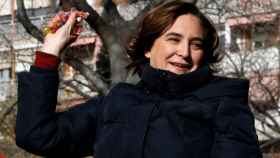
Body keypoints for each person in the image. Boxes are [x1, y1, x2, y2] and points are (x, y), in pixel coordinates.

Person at [16, 1, 262, 158]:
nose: (184, 52)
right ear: (147, 48)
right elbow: (38, 135)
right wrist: (50, 52)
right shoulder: (117, 101)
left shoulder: (223, 104)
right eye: (173, 40)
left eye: (195, 44)